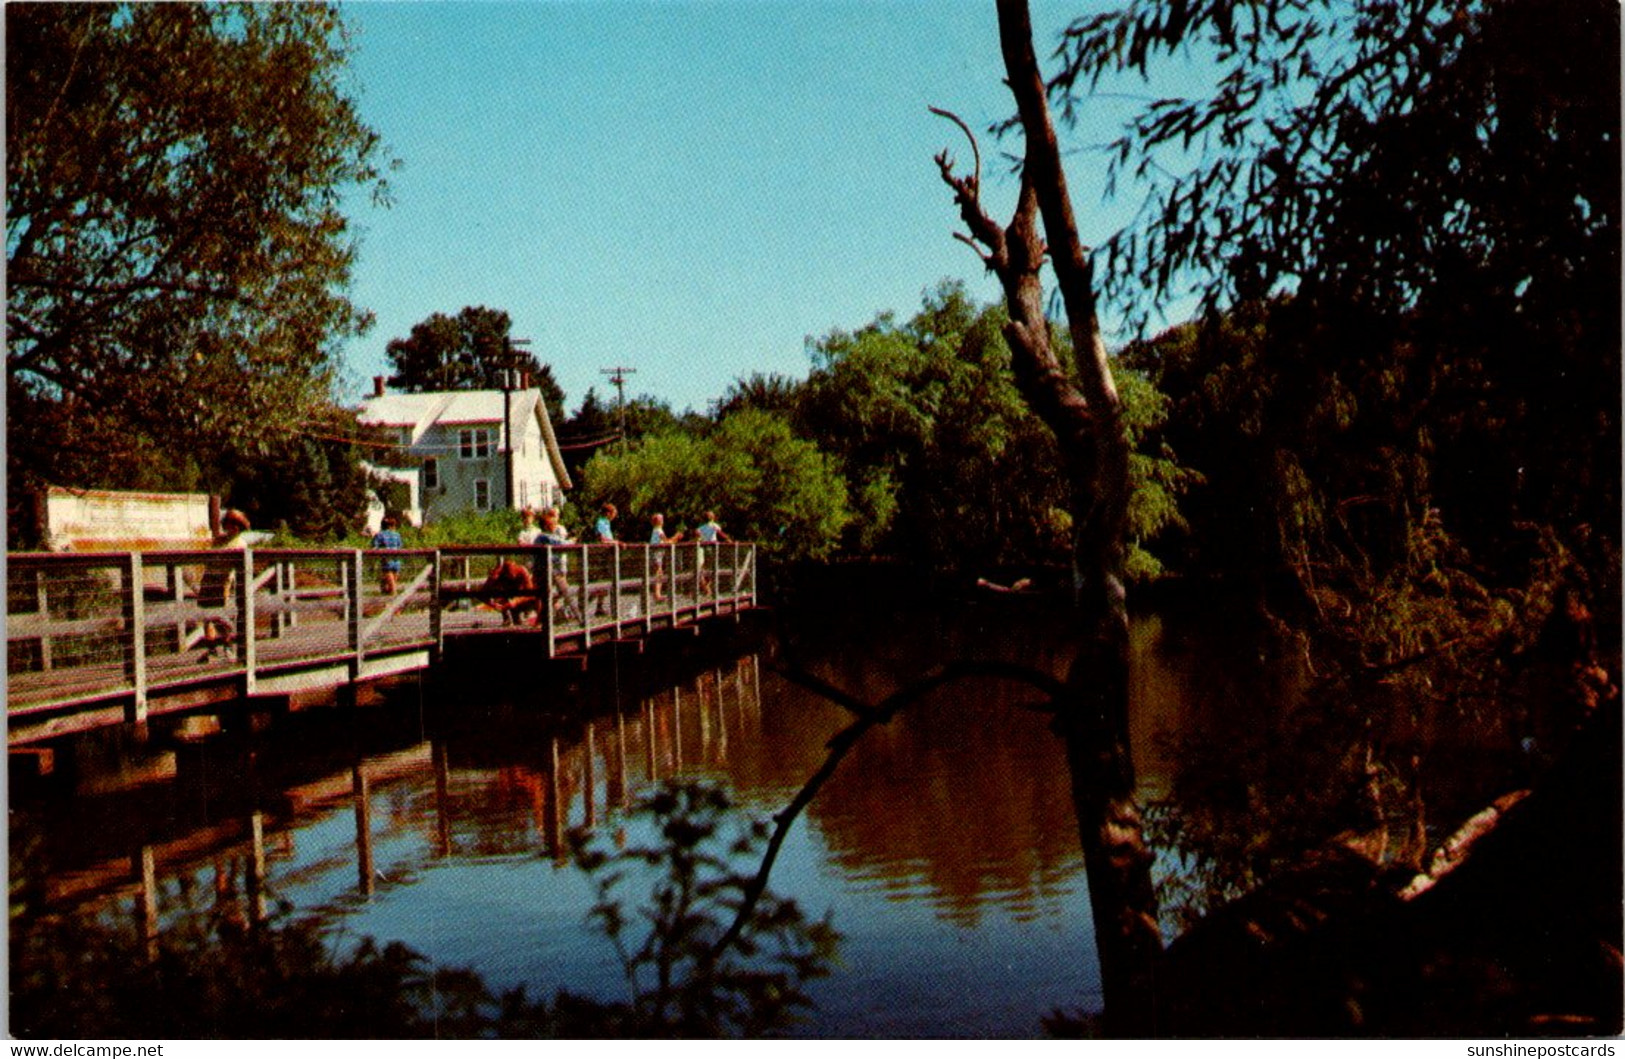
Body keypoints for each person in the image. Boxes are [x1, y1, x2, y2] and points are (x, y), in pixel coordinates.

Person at [198, 508, 252, 661]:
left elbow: (240, 566)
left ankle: (228, 645)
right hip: (209, 578)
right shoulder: (218, 540)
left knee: (221, 616)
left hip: (224, 581)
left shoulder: (240, 544)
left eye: (234, 525)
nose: (231, 527)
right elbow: (207, 556)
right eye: (229, 524)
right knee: (206, 616)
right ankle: (211, 649)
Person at [648, 513, 682, 601]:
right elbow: (667, 542)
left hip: (658, 554)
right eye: (661, 519)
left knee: (659, 574)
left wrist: (676, 538)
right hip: (656, 554)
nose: (663, 520)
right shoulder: (658, 530)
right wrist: (676, 536)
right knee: (658, 574)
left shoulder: (658, 530)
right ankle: (657, 595)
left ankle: (657, 594)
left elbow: (668, 542)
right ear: (657, 521)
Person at [694, 510, 729, 594]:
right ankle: (707, 588)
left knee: (705, 568)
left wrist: (699, 537)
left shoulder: (701, 527)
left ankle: (706, 588)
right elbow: (720, 533)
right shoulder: (714, 525)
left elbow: (697, 533)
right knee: (712, 568)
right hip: (712, 549)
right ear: (712, 517)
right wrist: (728, 539)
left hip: (703, 548)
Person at [371, 515, 404, 595]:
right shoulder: (397, 535)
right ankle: (388, 599)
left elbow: (374, 547)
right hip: (396, 561)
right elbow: (400, 546)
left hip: (387, 561)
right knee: (392, 583)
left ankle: (392, 600)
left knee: (391, 586)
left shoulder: (380, 535)